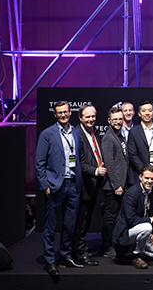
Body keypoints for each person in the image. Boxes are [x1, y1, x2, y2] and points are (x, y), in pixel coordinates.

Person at [35, 101, 84, 276]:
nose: (63, 115)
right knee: (50, 226)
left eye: (65, 112)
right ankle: (49, 260)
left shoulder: (76, 133)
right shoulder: (47, 134)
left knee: (69, 225)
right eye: (59, 113)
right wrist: (45, 185)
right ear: (55, 115)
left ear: (70, 112)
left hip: (73, 185)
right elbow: (39, 163)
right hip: (55, 185)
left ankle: (65, 255)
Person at [112, 164, 153, 269]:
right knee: (147, 226)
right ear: (140, 177)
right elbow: (132, 220)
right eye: (147, 178)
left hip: (143, 232)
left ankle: (132, 254)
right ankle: (137, 255)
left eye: (152, 179)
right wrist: (151, 220)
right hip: (126, 232)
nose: (149, 181)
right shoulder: (131, 194)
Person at [72, 104, 104, 266]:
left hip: (93, 185)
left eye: (93, 116)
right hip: (83, 185)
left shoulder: (94, 131)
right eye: (87, 117)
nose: (91, 119)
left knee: (86, 219)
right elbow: (79, 162)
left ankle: (80, 249)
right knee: (81, 221)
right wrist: (96, 171)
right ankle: (80, 254)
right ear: (80, 117)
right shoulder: (76, 134)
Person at [127, 101, 153, 214]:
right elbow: (132, 155)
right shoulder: (133, 132)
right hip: (140, 177)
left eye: (150, 111)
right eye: (144, 111)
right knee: (140, 209)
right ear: (139, 114)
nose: (147, 113)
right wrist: (146, 173)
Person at [100, 107, 129, 260]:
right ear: (109, 121)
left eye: (120, 119)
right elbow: (109, 164)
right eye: (115, 119)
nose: (118, 122)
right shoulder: (108, 138)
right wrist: (116, 184)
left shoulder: (120, 135)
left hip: (120, 185)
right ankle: (106, 247)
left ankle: (113, 243)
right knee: (109, 217)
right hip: (113, 187)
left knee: (114, 216)